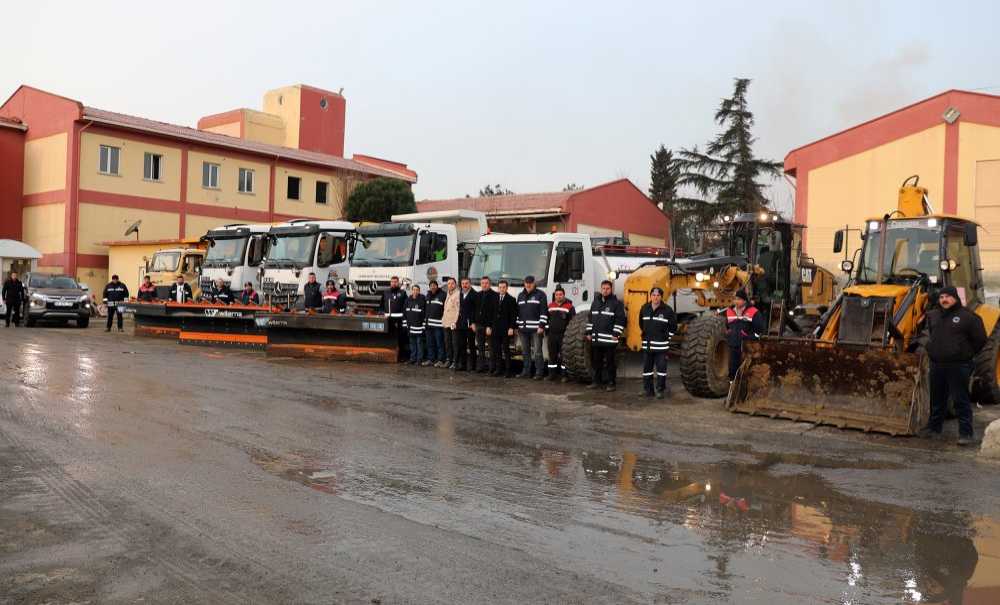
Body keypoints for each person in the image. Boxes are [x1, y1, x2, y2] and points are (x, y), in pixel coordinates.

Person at [921, 286, 988, 445]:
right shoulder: (933, 315)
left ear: (955, 298)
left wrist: (965, 354)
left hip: (958, 366)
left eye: (948, 296)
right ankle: (934, 429)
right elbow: (929, 335)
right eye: (941, 296)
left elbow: (980, 339)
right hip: (937, 364)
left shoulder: (968, 317)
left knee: (960, 400)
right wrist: (931, 349)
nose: (944, 299)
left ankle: (966, 434)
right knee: (937, 400)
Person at [586, 280, 626, 391]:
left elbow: (620, 320)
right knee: (596, 362)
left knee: (610, 363)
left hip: (609, 340)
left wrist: (616, 333)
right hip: (597, 339)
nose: (605, 290)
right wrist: (589, 332)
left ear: (611, 289)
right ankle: (596, 382)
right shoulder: (595, 303)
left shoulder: (616, 304)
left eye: (607, 288)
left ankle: (611, 383)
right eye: (603, 288)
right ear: (601, 289)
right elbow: (590, 319)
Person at [639, 287, 678, 399]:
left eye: (658, 295)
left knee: (661, 370)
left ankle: (660, 390)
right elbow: (641, 324)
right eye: (653, 295)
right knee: (647, 370)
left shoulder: (667, 310)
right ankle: (648, 390)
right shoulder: (644, 308)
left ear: (661, 297)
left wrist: (666, 338)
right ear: (650, 296)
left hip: (661, 347)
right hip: (647, 346)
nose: (655, 297)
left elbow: (673, 327)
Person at [725, 289, 764, 381]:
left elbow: (760, 331)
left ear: (744, 300)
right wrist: (729, 334)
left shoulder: (754, 312)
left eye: (738, 299)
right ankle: (733, 388)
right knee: (733, 370)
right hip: (733, 346)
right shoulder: (729, 311)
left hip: (747, 348)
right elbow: (727, 326)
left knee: (747, 371)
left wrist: (748, 337)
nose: (736, 301)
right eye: (735, 299)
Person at [516, 275, 549, 379]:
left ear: (534, 283)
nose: (528, 284)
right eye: (526, 283)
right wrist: (517, 326)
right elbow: (518, 312)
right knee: (525, 352)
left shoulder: (541, 295)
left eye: (530, 283)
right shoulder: (520, 295)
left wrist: (541, 326)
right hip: (523, 329)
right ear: (524, 283)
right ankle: (526, 372)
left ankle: (539, 373)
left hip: (536, 329)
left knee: (538, 352)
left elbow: (544, 312)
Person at [545, 285, 576, 382]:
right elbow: (546, 320)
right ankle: (551, 374)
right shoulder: (550, 306)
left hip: (564, 336)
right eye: (557, 295)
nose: (558, 296)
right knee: (552, 355)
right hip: (552, 335)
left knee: (564, 356)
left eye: (560, 294)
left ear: (564, 295)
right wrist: (547, 331)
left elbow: (572, 322)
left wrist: (569, 336)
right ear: (555, 296)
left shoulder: (570, 307)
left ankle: (564, 376)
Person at [490, 279, 519, 377]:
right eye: (500, 287)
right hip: (495, 329)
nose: (502, 289)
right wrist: (489, 326)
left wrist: (511, 327)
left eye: (503, 287)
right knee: (496, 350)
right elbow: (491, 314)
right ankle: (498, 369)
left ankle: (507, 370)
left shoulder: (511, 299)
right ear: (498, 288)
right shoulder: (494, 298)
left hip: (506, 329)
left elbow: (513, 315)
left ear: (507, 288)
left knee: (506, 350)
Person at [473, 276, 499, 373]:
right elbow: (474, 310)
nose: (484, 285)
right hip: (479, 325)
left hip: (489, 327)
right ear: (481, 284)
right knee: (480, 348)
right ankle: (481, 366)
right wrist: (473, 323)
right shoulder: (478, 295)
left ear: (490, 284)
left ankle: (492, 367)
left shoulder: (495, 295)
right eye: (483, 283)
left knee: (492, 348)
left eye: (486, 283)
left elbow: (495, 313)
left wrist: (490, 326)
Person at [381, 276, 409, 362]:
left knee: (401, 339)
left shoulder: (403, 293)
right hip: (388, 320)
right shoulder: (386, 292)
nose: (393, 283)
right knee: (389, 338)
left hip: (399, 320)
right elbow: (381, 305)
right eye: (392, 282)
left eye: (395, 282)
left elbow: (406, 306)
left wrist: (405, 318)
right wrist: (382, 314)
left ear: (398, 283)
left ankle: (402, 356)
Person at [453, 277, 478, 371]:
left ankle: (473, 366)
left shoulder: (475, 294)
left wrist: (473, 322)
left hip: (470, 324)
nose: (464, 285)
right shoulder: (459, 294)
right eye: (463, 283)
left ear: (470, 284)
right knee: (462, 345)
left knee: (471, 346)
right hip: (460, 323)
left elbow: (476, 310)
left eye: (466, 283)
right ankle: (463, 365)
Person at [402, 284, 427, 365]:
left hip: (419, 327)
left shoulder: (422, 300)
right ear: (411, 291)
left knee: (419, 343)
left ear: (419, 291)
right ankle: (412, 358)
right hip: (410, 326)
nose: (415, 291)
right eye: (414, 290)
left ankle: (419, 359)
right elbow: (404, 313)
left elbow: (424, 314)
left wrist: (423, 326)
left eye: (417, 290)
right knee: (412, 343)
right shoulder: (408, 300)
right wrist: (405, 324)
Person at [424, 279, 447, 366]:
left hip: (438, 325)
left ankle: (441, 360)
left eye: (434, 285)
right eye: (431, 286)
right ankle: (431, 359)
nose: (433, 287)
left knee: (439, 343)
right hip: (429, 325)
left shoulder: (443, 295)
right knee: (430, 344)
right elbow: (426, 310)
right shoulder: (428, 295)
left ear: (437, 286)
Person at [441, 277, 460, 369]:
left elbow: (458, 310)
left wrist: (455, 322)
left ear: (455, 284)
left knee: (454, 343)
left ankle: (455, 361)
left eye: (452, 283)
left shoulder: (458, 294)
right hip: (446, 322)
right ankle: (449, 359)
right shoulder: (448, 294)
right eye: (448, 283)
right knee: (447, 342)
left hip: (453, 323)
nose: (450, 285)